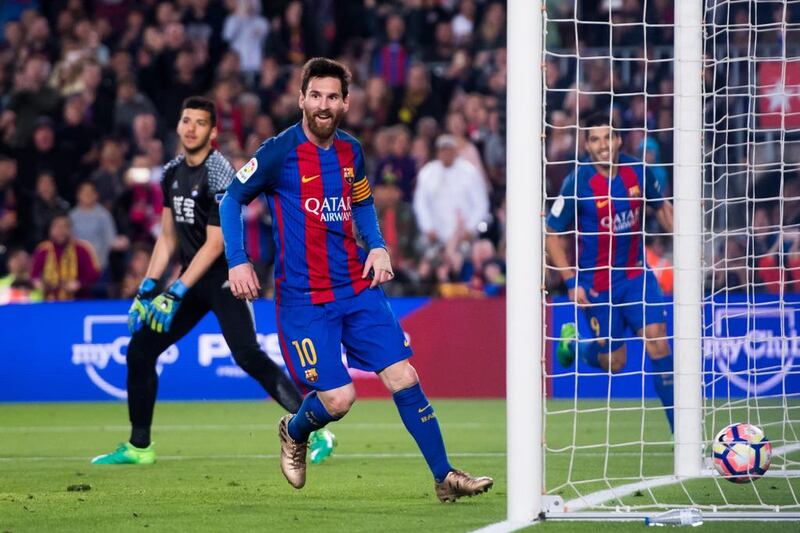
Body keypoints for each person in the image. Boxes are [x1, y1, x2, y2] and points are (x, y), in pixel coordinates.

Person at [219, 57, 493, 502]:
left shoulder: (351, 152)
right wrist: (238, 260)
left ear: (345, 103)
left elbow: (362, 203)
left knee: (404, 374)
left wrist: (379, 245)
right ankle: (294, 429)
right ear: (301, 99)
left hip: (356, 287)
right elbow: (232, 200)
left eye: (332, 97)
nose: (323, 105)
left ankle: (444, 476)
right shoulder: (278, 152)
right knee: (340, 398)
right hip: (305, 301)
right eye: (315, 96)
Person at [92, 96, 335, 465]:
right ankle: (139, 447)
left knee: (247, 355)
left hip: (223, 278)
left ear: (213, 131)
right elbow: (168, 238)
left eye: (200, 122)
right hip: (189, 282)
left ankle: (317, 430)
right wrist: (147, 286)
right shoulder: (172, 172)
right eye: (186, 120)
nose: (191, 128)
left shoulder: (219, 171)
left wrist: (174, 291)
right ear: (178, 126)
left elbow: (215, 242)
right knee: (140, 351)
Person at [545, 111, 675, 433]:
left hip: (635, 277)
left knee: (658, 343)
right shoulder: (577, 182)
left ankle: (682, 436)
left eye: (607, 137)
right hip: (597, 286)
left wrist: (687, 247)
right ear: (587, 145)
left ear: (618, 140)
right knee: (616, 363)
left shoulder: (638, 172)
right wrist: (571, 281)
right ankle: (575, 347)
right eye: (594, 139)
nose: (602, 145)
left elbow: (662, 208)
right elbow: (551, 234)